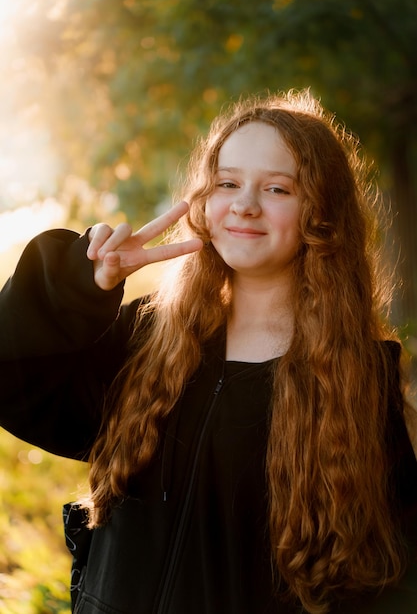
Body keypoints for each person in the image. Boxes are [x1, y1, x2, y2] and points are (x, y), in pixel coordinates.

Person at [0, 89, 416, 614]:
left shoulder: (358, 381)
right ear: (205, 200)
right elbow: (12, 380)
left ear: (321, 214)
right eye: (228, 183)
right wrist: (82, 288)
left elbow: (388, 582)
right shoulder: (147, 339)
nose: (245, 204)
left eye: (278, 188)